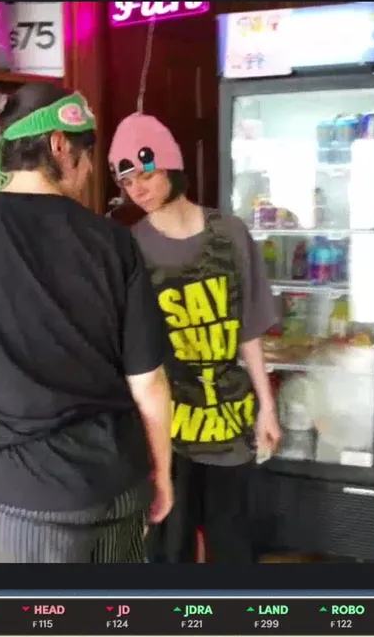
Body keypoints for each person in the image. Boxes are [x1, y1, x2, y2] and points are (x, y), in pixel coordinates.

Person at [0, 83, 176, 564]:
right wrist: (162, 474)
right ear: (58, 143)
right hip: (120, 483)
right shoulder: (113, 242)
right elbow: (149, 382)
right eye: (87, 154)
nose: (90, 170)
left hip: (24, 499)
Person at [108, 112, 283, 563]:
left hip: (230, 419)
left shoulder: (230, 233)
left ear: (170, 165)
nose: (137, 189)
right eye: (127, 182)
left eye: (145, 174)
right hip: (168, 427)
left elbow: (248, 327)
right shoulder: (130, 248)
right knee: (170, 550)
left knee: (233, 545)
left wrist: (267, 406)